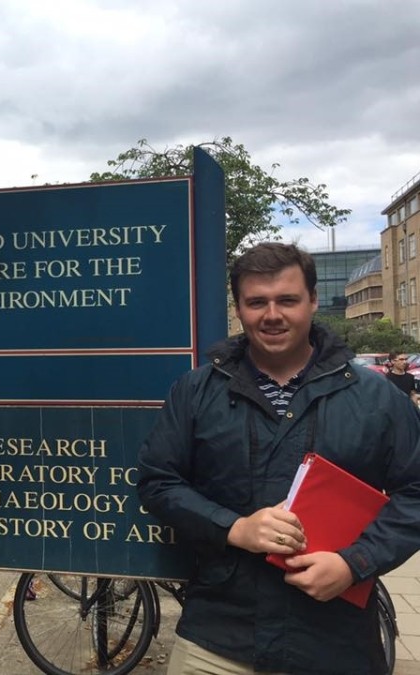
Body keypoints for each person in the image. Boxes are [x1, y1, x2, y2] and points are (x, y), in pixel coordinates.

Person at [137, 242, 420, 675]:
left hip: (336, 642)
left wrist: (354, 563)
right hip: (217, 639)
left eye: (287, 300)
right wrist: (235, 528)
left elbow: (415, 494)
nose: (272, 315)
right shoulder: (195, 391)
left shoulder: (375, 397)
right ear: (240, 308)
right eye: (256, 302)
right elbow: (159, 482)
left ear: (312, 301)